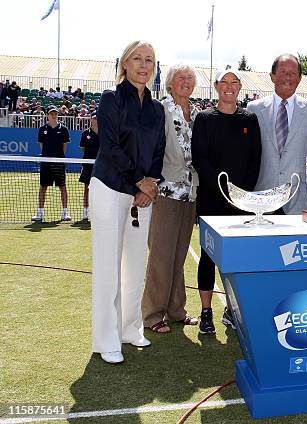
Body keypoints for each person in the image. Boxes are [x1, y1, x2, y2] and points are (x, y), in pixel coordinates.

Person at [89, 40, 166, 364]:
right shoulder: (110, 98)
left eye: (149, 60)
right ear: (125, 63)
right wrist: (138, 181)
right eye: (137, 58)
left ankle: (130, 329)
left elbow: (158, 151)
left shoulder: (157, 108)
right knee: (108, 269)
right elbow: (110, 146)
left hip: (141, 197)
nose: (143, 65)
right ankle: (106, 340)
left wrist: (148, 187)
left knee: (135, 266)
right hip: (108, 188)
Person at [192, 68, 262, 332]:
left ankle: (231, 311)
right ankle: (206, 312)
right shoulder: (204, 119)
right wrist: (223, 191)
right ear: (216, 86)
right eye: (225, 83)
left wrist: (241, 196)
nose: (229, 87)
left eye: (234, 83)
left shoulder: (250, 119)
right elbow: (200, 159)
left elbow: (255, 160)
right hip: (211, 202)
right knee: (208, 259)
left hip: (240, 205)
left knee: (236, 260)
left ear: (240, 86)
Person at [141, 64, 201, 334]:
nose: (186, 82)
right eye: (180, 77)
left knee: (178, 256)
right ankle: (153, 314)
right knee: (161, 256)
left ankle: (177, 310)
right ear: (169, 82)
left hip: (190, 193)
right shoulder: (160, 109)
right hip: (165, 192)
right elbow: (149, 148)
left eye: (190, 78)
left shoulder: (198, 114)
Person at [247, 54, 307, 214]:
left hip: (299, 198)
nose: (287, 77)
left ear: (300, 78)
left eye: (292, 73)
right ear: (272, 76)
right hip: (262, 196)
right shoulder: (253, 109)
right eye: (282, 72)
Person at [32, 106, 71, 222]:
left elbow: (65, 146)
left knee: (62, 187)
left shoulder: (63, 129)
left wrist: (60, 158)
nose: (54, 115)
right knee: (43, 187)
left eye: (55, 113)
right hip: (46, 162)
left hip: (59, 162)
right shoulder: (42, 129)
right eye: (51, 113)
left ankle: (65, 212)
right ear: (47, 115)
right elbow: (41, 145)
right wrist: (47, 157)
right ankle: (39, 213)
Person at [78, 112, 99, 222]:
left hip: (101, 167)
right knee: (87, 189)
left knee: (101, 191)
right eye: (94, 118)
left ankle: (99, 214)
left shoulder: (105, 133)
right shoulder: (85, 133)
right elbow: (82, 148)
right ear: (91, 119)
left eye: (97, 118)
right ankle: (85, 213)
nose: (95, 120)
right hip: (88, 165)